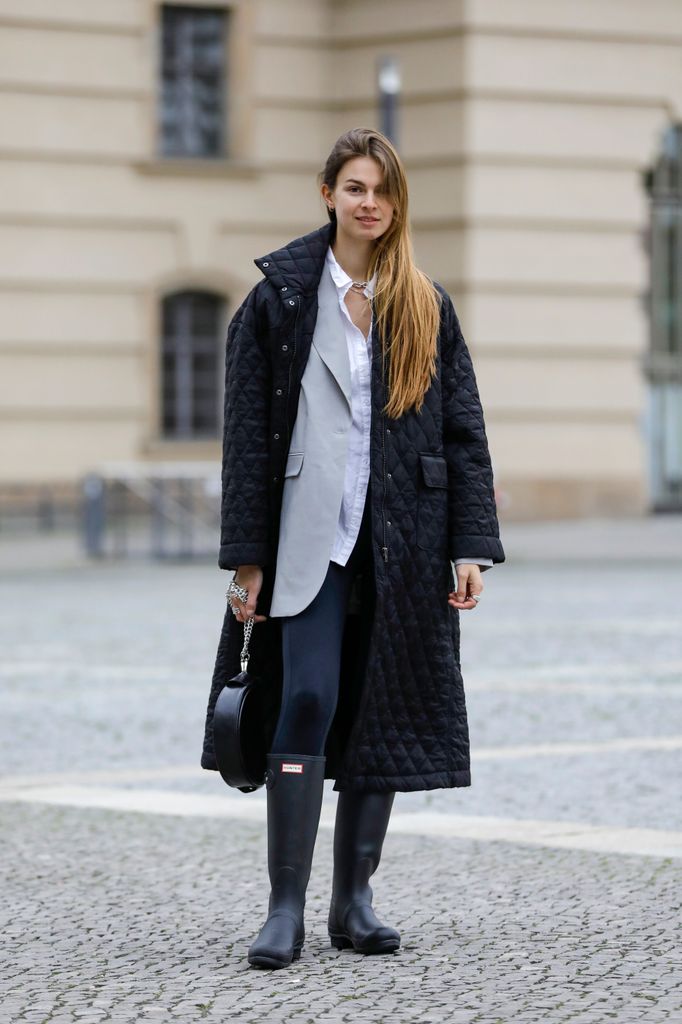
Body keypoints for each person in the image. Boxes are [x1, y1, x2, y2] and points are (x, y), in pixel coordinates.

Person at [200, 127, 505, 970]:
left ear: (397, 204)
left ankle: (355, 901)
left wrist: (469, 548)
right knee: (307, 699)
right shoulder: (281, 300)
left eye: (383, 191)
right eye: (355, 187)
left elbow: (463, 435)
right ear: (328, 193)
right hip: (308, 544)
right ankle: (285, 909)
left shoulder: (425, 305)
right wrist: (247, 559)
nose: (369, 202)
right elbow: (248, 444)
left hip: (405, 543)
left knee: (385, 709)